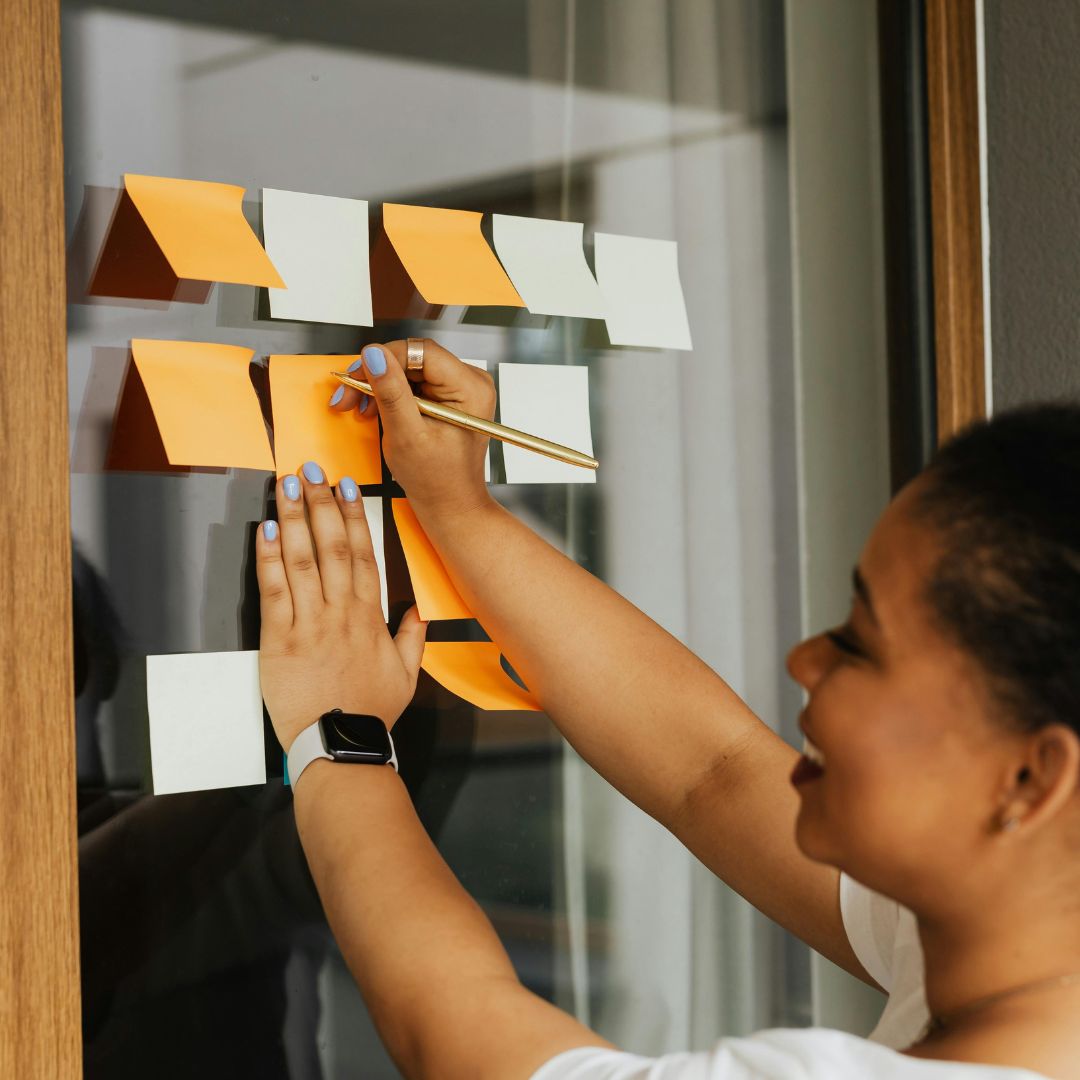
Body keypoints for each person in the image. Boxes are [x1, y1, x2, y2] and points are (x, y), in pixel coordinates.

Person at [255, 338, 1080, 1078]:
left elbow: (452, 1035)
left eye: (860, 644)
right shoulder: (1021, 921)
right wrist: (458, 508)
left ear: (1028, 777)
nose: (804, 661)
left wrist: (339, 738)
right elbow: (710, 772)